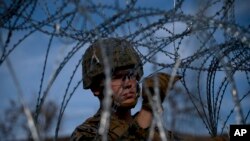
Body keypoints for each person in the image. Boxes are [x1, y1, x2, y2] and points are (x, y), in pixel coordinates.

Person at [70, 37, 182, 141]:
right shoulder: (87, 134)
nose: (128, 83)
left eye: (132, 74)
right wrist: (147, 111)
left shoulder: (158, 133)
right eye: (116, 77)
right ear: (96, 88)